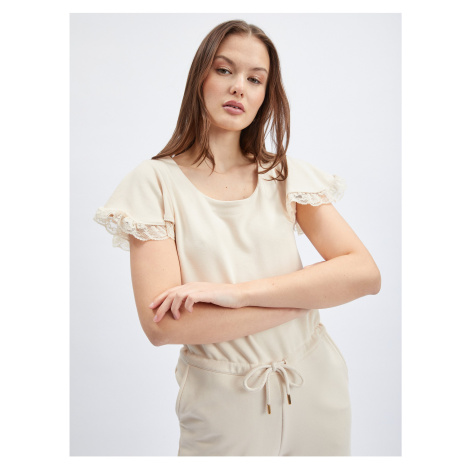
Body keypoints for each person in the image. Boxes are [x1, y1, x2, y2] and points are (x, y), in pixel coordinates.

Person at [93, 19, 381, 456]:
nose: (238, 88)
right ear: (200, 77)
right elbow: (163, 326)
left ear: (266, 94)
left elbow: (364, 274)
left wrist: (236, 295)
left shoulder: (285, 174)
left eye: (255, 79)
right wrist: (305, 297)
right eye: (225, 70)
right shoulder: (153, 184)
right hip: (222, 402)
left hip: (316, 384)